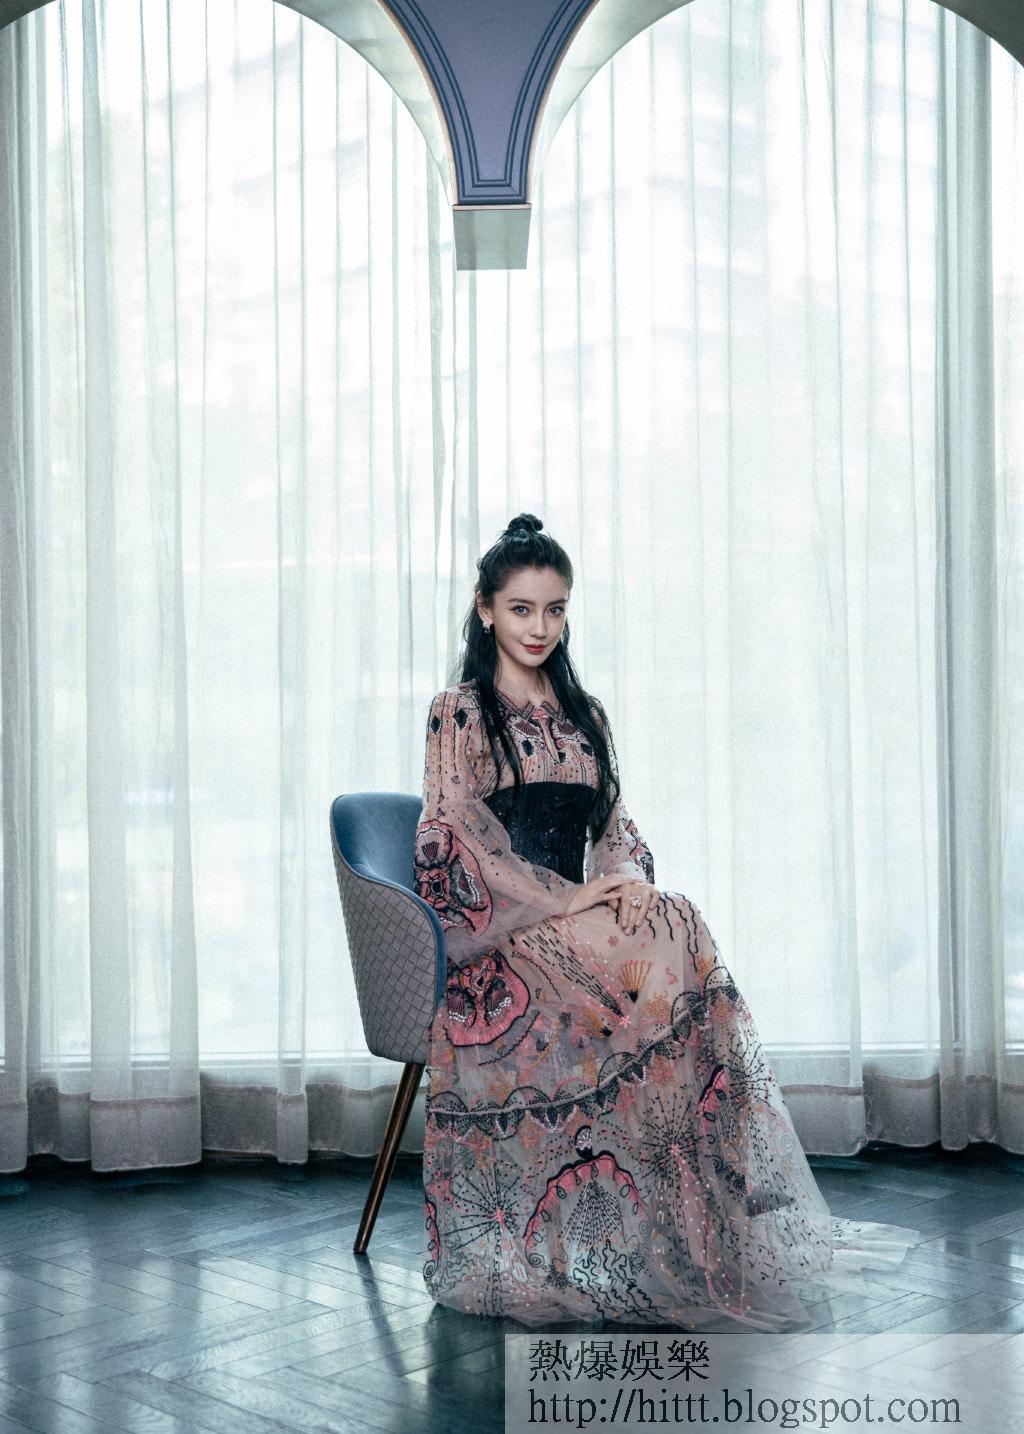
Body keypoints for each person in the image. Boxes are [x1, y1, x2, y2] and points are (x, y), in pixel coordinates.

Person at [415, 512, 917, 1330]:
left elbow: (614, 827)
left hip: (580, 917)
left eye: (555, 609)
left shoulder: (585, 711)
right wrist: (566, 900)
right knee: (658, 971)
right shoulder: (460, 711)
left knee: (676, 920)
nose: (539, 628)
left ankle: (689, 1224)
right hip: (505, 936)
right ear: (485, 610)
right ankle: (649, 1212)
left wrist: (622, 884)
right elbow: (452, 840)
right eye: (521, 609)